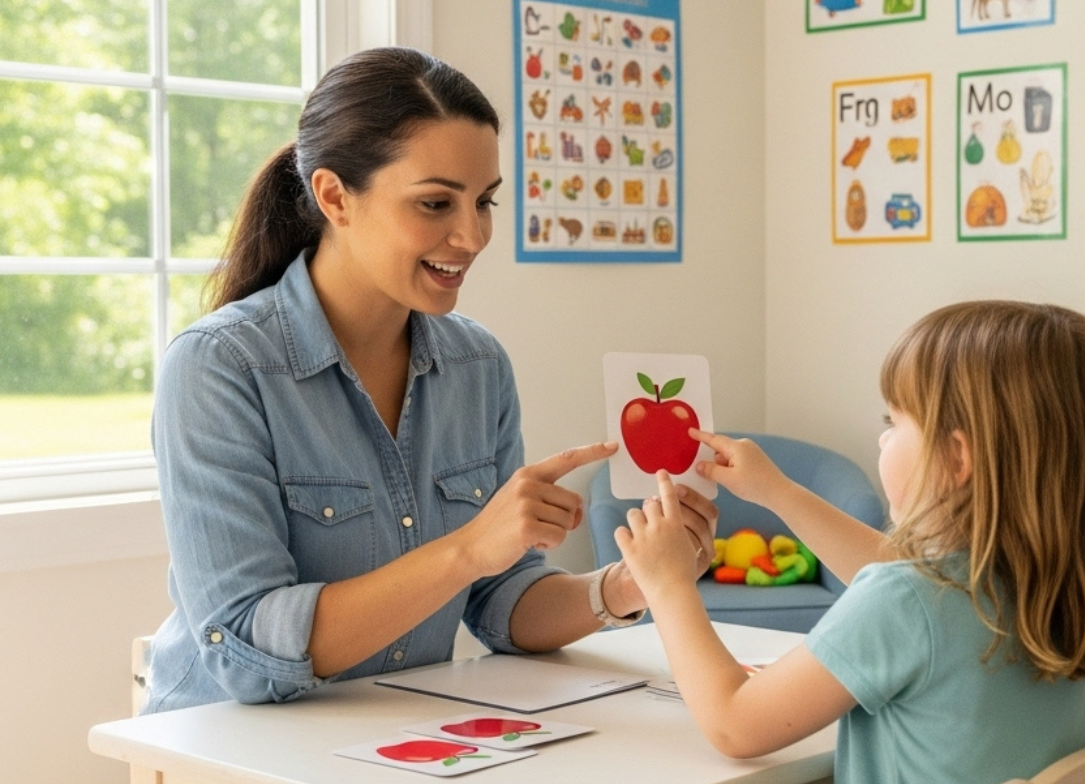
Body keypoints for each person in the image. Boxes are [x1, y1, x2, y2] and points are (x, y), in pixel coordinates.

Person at [142, 46, 717, 714]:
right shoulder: (219, 367)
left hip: (387, 738)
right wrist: (470, 547)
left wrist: (630, 584)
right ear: (334, 196)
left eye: (484, 201)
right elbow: (245, 648)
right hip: (227, 747)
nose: (471, 236)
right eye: (436, 202)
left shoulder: (477, 365)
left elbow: (501, 602)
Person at [615, 300, 1085, 782]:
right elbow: (909, 578)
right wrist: (777, 492)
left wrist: (667, 585)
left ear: (958, 457)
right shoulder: (1054, 586)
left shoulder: (909, 603)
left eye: (894, 421)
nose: (881, 436)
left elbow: (734, 725)